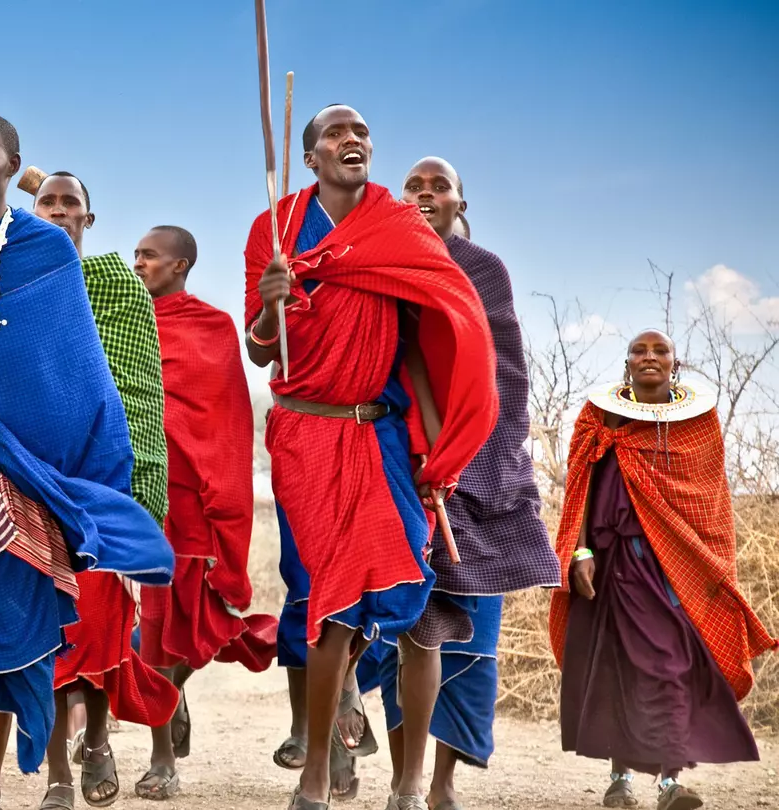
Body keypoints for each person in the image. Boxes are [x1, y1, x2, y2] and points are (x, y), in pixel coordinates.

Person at [0, 113, 174, 810]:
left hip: (15, 459)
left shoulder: (45, 249)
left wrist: (73, 463)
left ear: (13, 167)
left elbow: (70, 367)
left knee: (7, 611)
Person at [243, 104, 497, 810]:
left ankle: (409, 783)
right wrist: (271, 304)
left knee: (410, 604)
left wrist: (439, 444)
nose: (352, 141)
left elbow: (443, 321)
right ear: (311, 157)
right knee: (329, 604)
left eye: (361, 134)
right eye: (336, 134)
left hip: (383, 439)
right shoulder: (276, 228)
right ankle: (316, 773)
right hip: (304, 436)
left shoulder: (399, 228)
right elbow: (261, 348)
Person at [351, 157, 562, 810]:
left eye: (438, 187)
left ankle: (438, 784)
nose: (424, 194)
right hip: (396, 470)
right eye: (413, 186)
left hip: (477, 473)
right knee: (399, 630)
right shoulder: (381, 263)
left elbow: (500, 374)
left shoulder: (483, 270)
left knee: (468, 634)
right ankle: (401, 777)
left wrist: (465, 461)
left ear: (459, 203)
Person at [550, 329, 776, 810]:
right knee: (616, 668)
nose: (649, 357)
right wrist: (580, 552)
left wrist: (700, 566)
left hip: (674, 568)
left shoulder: (697, 421)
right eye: (639, 350)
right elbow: (581, 486)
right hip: (610, 566)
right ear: (627, 363)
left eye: (660, 351)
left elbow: (709, 500)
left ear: (677, 363)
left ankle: (670, 782)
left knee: (671, 668)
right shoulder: (600, 414)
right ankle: (620, 779)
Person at [32, 172, 182, 808]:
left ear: (88, 221)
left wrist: (139, 489)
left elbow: (142, 392)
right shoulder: (4, 281)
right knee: (45, 623)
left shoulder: (119, 285)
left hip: (102, 475)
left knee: (97, 617)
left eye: (73, 205)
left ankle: (95, 737)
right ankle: (60, 775)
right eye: (50, 201)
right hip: (28, 471)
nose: (61, 211)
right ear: (32, 211)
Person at [132, 224, 279, 800]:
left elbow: (225, 415)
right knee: (159, 626)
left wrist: (225, 494)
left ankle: (177, 690)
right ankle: (161, 757)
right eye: (137, 255)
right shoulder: (123, 325)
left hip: (199, 496)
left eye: (149, 256)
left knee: (204, 627)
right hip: (149, 496)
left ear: (180, 266)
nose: (139, 263)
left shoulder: (213, 326)